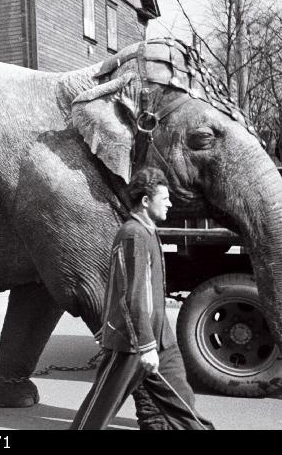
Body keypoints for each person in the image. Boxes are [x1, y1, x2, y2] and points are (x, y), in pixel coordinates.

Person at [70, 167, 214, 430]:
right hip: (133, 343)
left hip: (161, 341)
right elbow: (132, 296)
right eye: (165, 198)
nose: (170, 203)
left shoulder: (149, 231)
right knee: (97, 413)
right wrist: (146, 346)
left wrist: (158, 343)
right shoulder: (132, 234)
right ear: (146, 201)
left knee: (184, 406)